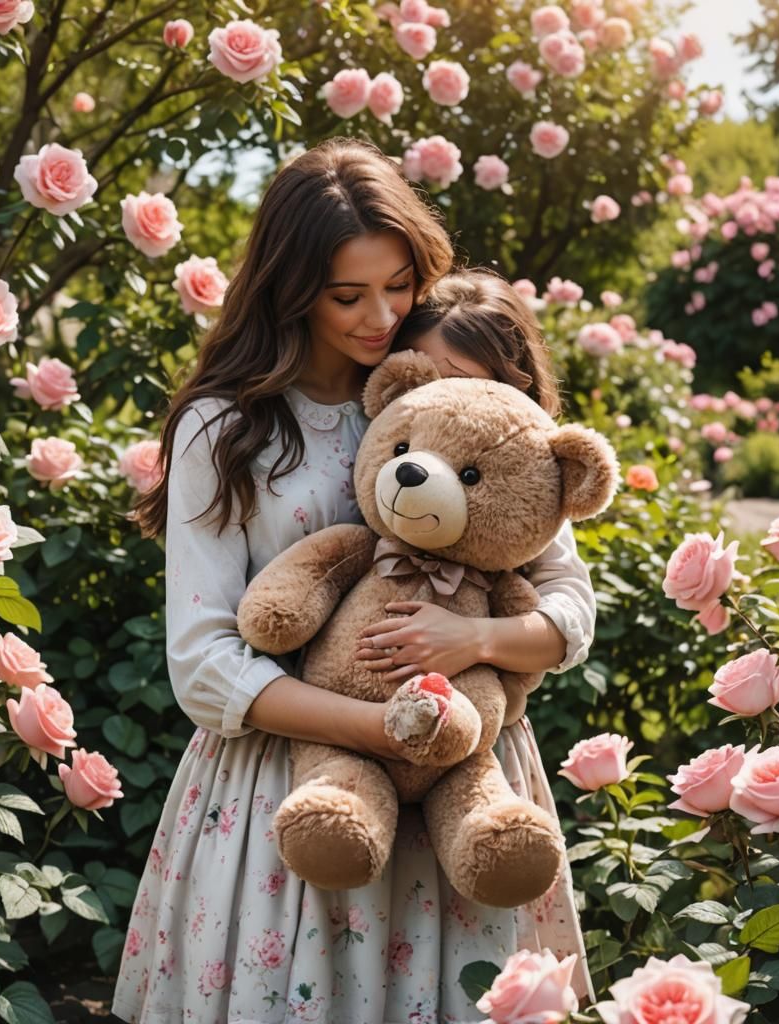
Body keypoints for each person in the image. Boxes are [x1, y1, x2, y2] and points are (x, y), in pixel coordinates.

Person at [111, 139, 594, 1024]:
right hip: (292, 783)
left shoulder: (451, 384)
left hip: (464, 788)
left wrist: (476, 640)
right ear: (290, 289)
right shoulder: (228, 430)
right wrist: (383, 729)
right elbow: (204, 661)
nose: (381, 317)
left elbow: (568, 603)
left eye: (399, 284)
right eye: (347, 296)